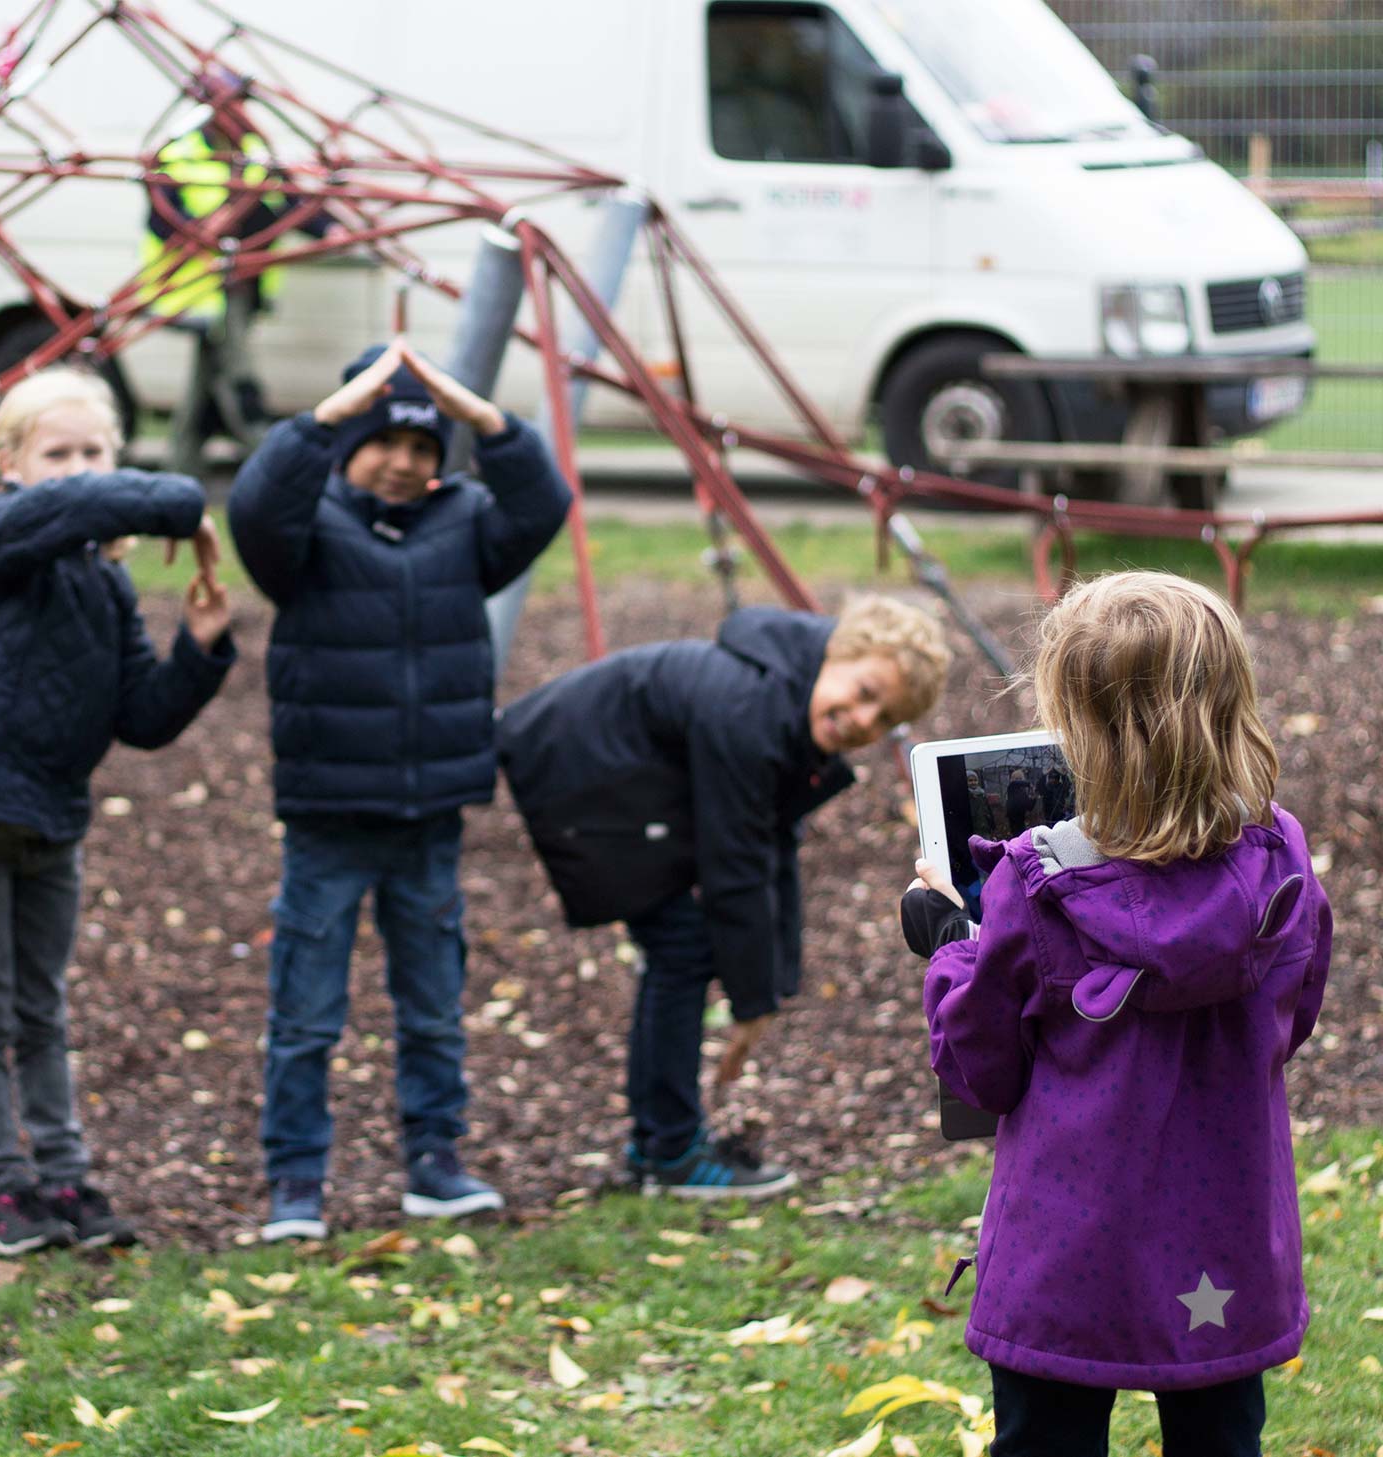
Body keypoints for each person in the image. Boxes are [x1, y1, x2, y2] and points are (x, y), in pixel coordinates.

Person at [899, 571, 1332, 1457]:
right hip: (1227, 1242)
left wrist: (951, 938)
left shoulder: (1034, 883)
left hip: (1066, 1251)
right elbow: (1293, 1013)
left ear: (1079, 730)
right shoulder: (1281, 855)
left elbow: (979, 1067)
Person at [228, 339, 571, 1242]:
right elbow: (256, 505)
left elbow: (544, 502)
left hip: (429, 816)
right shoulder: (304, 535)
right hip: (328, 818)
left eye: (424, 448)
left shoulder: (464, 525)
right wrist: (328, 418)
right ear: (347, 446)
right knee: (305, 1011)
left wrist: (484, 419)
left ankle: (435, 1161)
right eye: (385, 442)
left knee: (432, 1005)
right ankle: (296, 1179)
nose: (405, 462)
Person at [0, 367, 234, 1255]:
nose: (81, 469)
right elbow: (77, 509)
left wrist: (200, 652)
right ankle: (2, 1185)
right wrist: (177, 504)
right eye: (58, 453)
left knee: (42, 1007)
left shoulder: (108, 586)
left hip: (53, 818)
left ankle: (63, 1173)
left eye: (96, 450)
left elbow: (143, 717)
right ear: (9, 465)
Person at [498, 597, 949, 1197]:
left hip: (622, 773)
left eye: (883, 716)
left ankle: (659, 1145)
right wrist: (750, 1005)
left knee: (681, 945)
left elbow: (773, 848)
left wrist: (771, 987)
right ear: (838, 653)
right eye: (865, 690)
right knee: (683, 946)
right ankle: (669, 1152)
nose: (863, 719)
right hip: (580, 766)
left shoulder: (784, 702)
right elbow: (734, 868)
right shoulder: (749, 709)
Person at [138, 67, 334, 476]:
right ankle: (273, 462)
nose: (238, 113)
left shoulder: (254, 154)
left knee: (205, 381)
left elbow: (293, 202)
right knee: (238, 379)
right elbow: (162, 219)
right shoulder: (179, 153)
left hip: (240, 289)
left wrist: (329, 228)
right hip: (199, 288)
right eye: (229, 104)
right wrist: (198, 230)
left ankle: (181, 465)